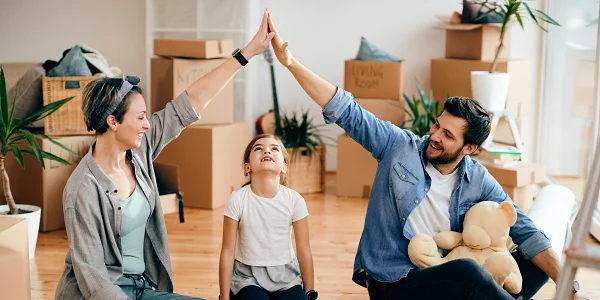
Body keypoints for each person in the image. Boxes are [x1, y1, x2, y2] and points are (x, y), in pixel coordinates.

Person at [265, 14, 581, 300]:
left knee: (536, 261)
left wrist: (571, 289)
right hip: (398, 282)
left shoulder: (477, 178)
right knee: (469, 273)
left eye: (448, 135)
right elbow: (345, 109)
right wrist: (290, 62)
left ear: (469, 149)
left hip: (447, 274)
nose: (435, 136)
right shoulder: (398, 147)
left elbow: (525, 230)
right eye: (437, 125)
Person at [54, 9, 275, 300]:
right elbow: (95, 283)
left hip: (141, 289)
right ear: (112, 122)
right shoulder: (82, 189)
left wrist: (247, 53)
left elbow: (191, 101)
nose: (148, 124)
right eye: (141, 117)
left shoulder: (139, 151)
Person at [218, 134, 317, 300]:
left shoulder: (295, 200)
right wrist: (224, 297)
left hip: (286, 277)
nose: (267, 151)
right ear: (247, 167)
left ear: (284, 167)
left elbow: (304, 250)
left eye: (274, 148)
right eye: (258, 148)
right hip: (247, 278)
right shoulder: (236, 200)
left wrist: (310, 292)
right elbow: (227, 252)